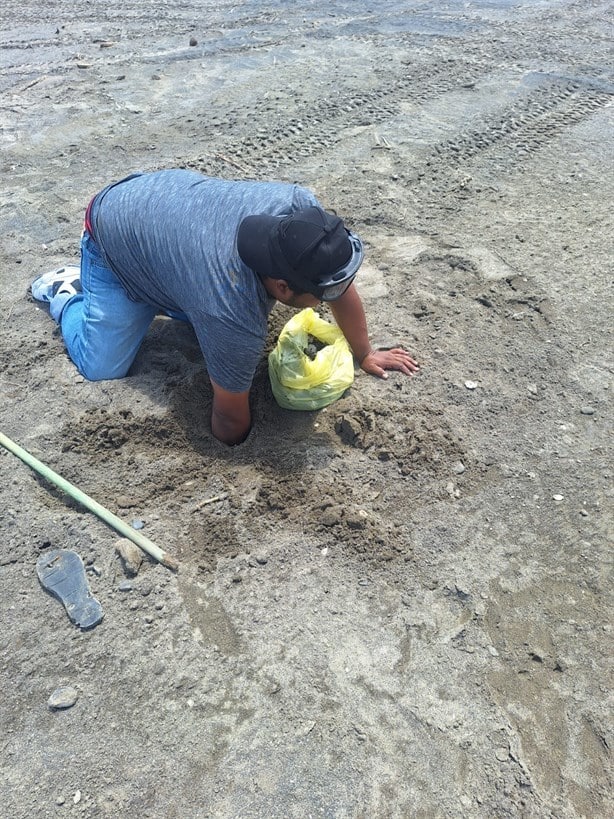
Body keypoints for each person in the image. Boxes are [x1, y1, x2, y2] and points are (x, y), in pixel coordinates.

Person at [31, 169, 419, 445]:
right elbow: (229, 421)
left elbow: (337, 283)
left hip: (166, 214)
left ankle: (164, 292)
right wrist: (234, 447)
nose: (335, 295)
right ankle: (68, 291)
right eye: (323, 293)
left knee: (200, 309)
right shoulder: (229, 307)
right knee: (101, 366)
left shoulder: (302, 214)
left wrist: (364, 352)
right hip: (113, 237)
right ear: (281, 286)